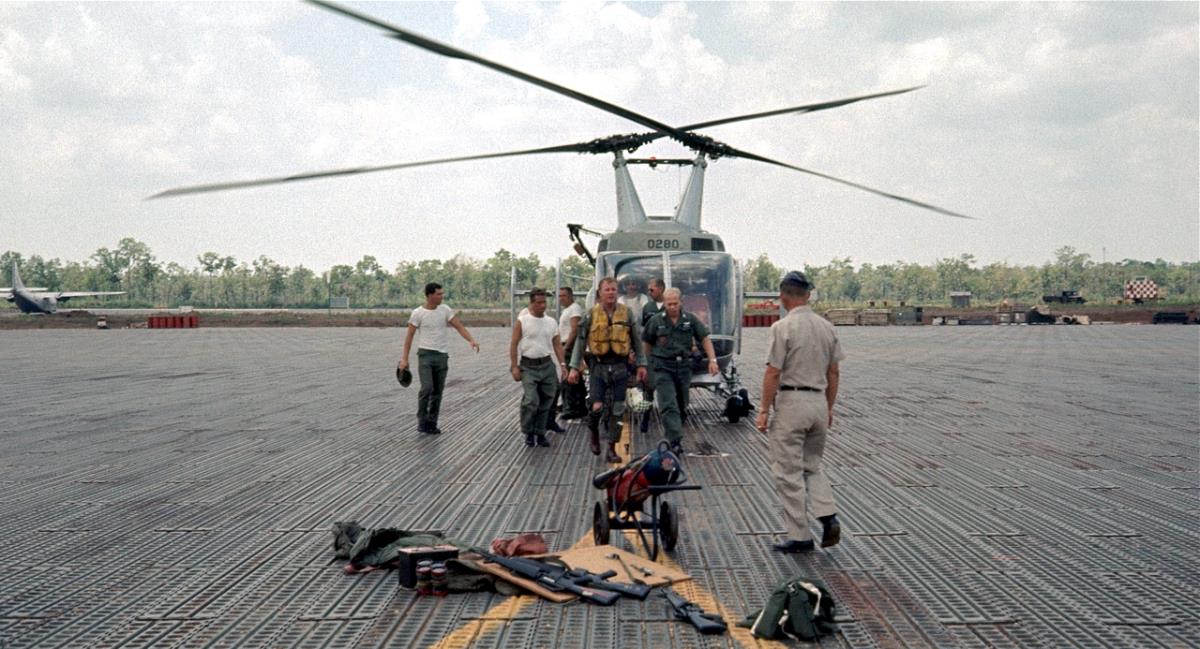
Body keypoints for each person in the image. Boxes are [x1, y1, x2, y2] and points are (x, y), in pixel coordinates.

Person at [755, 271, 844, 553]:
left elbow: (773, 372)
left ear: (783, 296)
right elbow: (834, 371)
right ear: (808, 295)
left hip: (792, 402)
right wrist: (828, 408)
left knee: (787, 471)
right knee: (813, 465)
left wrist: (763, 410)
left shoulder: (782, 327)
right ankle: (827, 514)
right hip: (819, 401)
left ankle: (800, 535)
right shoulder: (827, 327)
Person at [568, 277, 647, 462]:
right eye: (607, 290)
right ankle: (594, 430)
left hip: (620, 366)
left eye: (614, 289)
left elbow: (636, 341)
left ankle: (612, 448)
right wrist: (573, 367)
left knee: (619, 409)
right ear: (600, 293)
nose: (611, 293)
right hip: (598, 367)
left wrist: (642, 364)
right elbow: (580, 342)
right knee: (597, 407)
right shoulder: (590, 315)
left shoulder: (627, 314)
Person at [641, 288, 719, 456]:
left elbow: (704, 338)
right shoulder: (656, 321)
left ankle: (676, 429)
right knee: (668, 404)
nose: (672, 307)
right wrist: (646, 365)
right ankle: (674, 441)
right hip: (662, 367)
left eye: (675, 303)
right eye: (669, 304)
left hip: (683, 366)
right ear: (665, 303)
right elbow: (646, 343)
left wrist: (712, 360)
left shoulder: (690, 320)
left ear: (681, 302)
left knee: (682, 405)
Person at [399, 282, 480, 434]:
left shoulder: (445, 310)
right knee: (427, 388)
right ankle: (422, 420)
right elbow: (409, 337)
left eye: (442, 294)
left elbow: (459, 326)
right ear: (429, 295)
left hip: (442, 356)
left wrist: (471, 340)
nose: (441, 297)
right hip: (425, 355)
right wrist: (404, 359)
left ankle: (432, 423)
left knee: (437, 391)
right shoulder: (418, 313)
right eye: (438, 294)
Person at [509, 288, 568, 448]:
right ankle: (529, 431)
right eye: (539, 302)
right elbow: (514, 344)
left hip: (547, 365)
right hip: (528, 366)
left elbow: (557, 345)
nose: (542, 305)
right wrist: (514, 367)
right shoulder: (523, 321)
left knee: (547, 401)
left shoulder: (551, 322)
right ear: (531, 303)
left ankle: (540, 433)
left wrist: (563, 365)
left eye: (544, 302)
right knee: (531, 401)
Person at [554, 286, 587, 423]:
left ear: (571, 296)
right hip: (564, 345)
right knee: (572, 379)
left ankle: (572, 408)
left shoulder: (574, 309)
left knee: (569, 378)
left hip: (570, 346)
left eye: (563, 296)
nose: (561, 299)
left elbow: (575, 330)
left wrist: (566, 347)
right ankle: (575, 406)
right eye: (559, 296)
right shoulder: (567, 310)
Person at [638, 279, 666, 433]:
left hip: (667, 353)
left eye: (652, 290)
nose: (649, 293)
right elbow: (643, 331)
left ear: (661, 289)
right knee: (648, 387)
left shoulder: (672, 306)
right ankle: (646, 417)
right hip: (651, 352)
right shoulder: (647, 307)